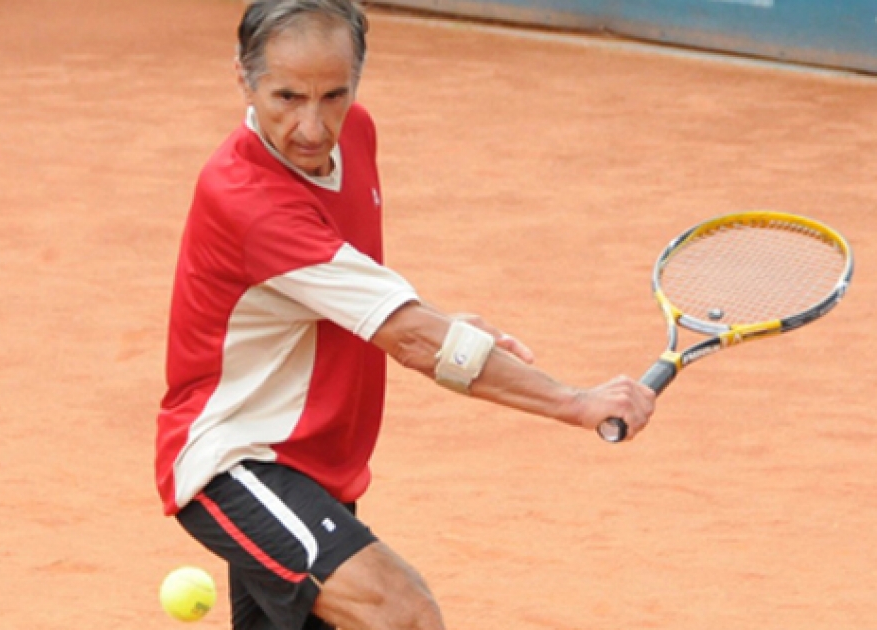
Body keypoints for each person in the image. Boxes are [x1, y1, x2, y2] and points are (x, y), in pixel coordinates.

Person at [154, 1, 656, 628]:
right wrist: (575, 402)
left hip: (317, 464)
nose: (312, 127)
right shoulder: (247, 198)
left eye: (333, 95)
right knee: (405, 614)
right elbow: (410, 338)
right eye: (286, 97)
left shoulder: (357, 135)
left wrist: (444, 325)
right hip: (237, 461)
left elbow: (343, 296)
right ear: (242, 78)